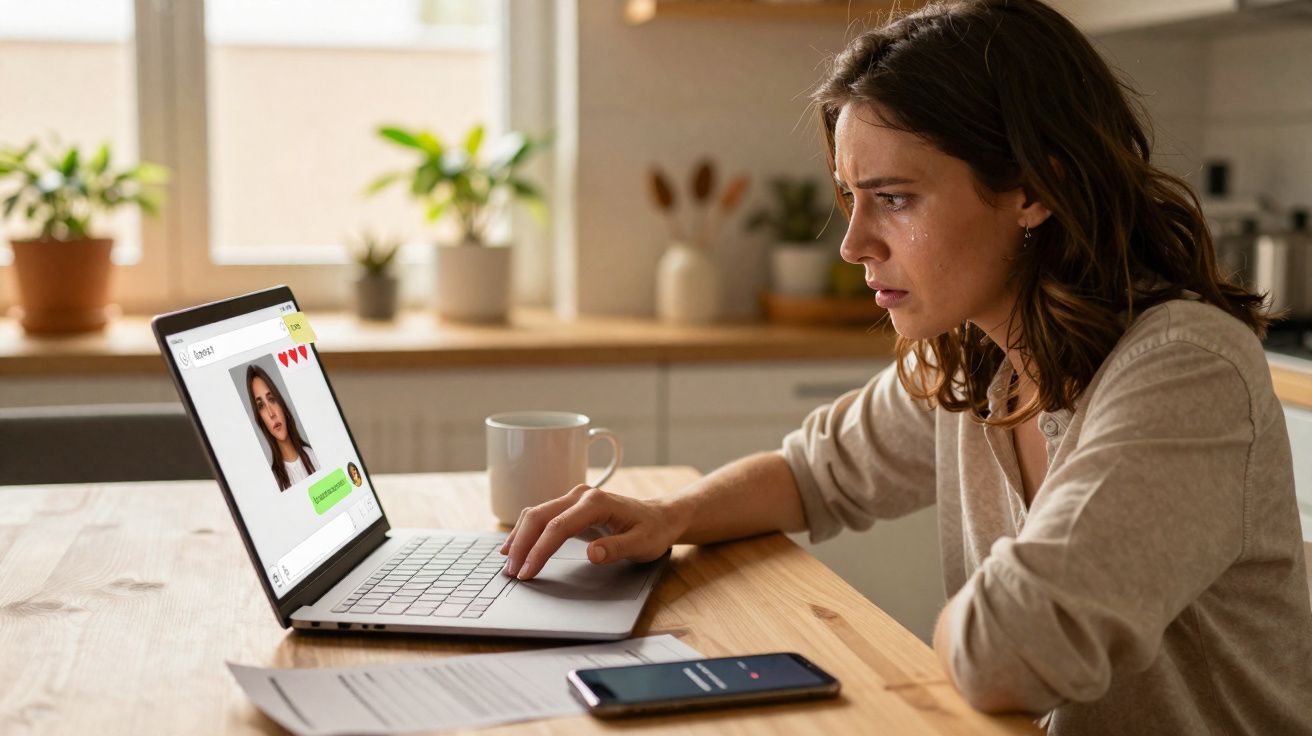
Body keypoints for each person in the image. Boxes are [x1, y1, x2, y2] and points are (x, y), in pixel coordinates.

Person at [499, 1, 1312, 732]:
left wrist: (888, 646)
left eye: (894, 198)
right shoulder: (977, 355)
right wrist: (672, 517)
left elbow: (1010, 656)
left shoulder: (1184, 373)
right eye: (851, 197)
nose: (853, 244)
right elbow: (815, 473)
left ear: (1034, 190)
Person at [246, 363, 317, 491]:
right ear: (260, 419)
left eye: (272, 399)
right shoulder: (273, 481)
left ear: (281, 404)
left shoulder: (314, 455)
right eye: (261, 406)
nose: (271, 413)